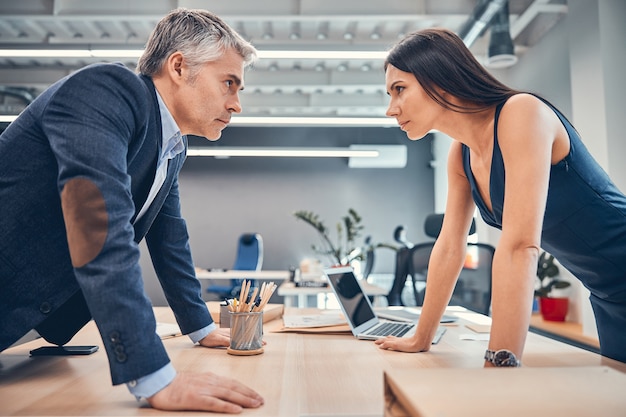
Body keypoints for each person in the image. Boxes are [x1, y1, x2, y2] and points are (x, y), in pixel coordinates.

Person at [0, 8, 265, 413]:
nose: (236, 104)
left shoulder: (172, 146)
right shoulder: (106, 91)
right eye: (229, 83)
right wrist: (154, 376)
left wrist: (201, 327)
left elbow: (169, 239)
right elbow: (98, 224)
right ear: (179, 66)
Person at [375, 28, 626, 365]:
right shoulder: (461, 155)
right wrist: (421, 336)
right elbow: (450, 246)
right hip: (609, 295)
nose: (391, 109)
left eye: (399, 90)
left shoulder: (521, 113)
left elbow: (521, 246)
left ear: (439, 79)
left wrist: (499, 359)